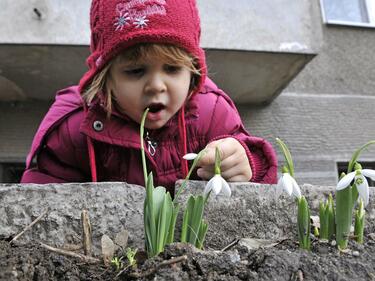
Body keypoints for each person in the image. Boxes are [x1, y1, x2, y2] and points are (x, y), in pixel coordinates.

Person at [21, 0, 278, 193]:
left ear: (193, 68)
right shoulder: (76, 126)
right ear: (105, 75)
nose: (156, 86)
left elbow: (259, 176)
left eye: (172, 69)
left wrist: (246, 162)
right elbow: (41, 196)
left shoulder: (211, 113)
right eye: (135, 71)